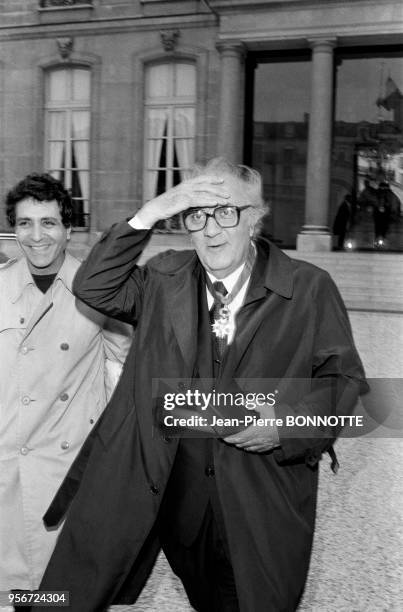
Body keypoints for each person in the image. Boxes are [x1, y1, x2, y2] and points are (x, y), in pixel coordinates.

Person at [38, 158, 367, 612]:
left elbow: (346, 385)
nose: (211, 229)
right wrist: (149, 214)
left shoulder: (309, 288)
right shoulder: (162, 278)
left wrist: (286, 422)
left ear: (256, 218)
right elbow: (95, 287)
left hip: (260, 505)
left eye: (226, 211)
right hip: (181, 507)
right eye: (196, 213)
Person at [0, 174, 131, 596]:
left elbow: (131, 367)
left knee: (59, 595)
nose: (36, 236)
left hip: (64, 472)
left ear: (68, 228)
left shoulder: (97, 290)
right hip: (5, 467)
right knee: (10, 594)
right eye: (24, 223)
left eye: (49, 223)